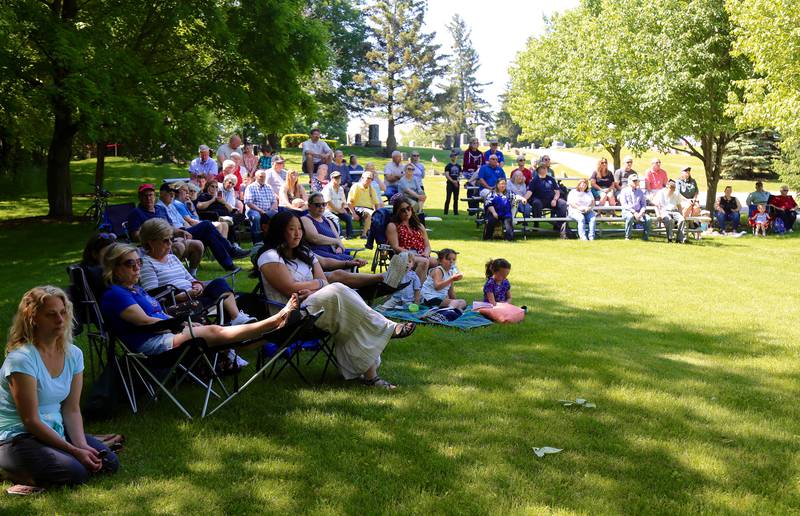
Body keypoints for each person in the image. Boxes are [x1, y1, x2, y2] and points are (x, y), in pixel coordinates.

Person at [256, 211, 415, 389]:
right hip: (290, 315)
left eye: (300, 228)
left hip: (316, 307)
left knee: (350, 316)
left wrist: (312, 287)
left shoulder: (305, 253)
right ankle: (387, 324)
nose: (297, 233)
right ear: (279, 231)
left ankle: (371, 377)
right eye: (291, 229)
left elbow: (323, 281)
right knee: (337, 289)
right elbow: (291, 289)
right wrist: (315, 285)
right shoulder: (269, 257)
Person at [0, 286, 120, 488]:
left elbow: (71, 409)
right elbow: (30, 420)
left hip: (54, 430)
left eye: (63, 312)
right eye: (51, 314)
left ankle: (55, 458)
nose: (60, 320)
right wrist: (73, 451)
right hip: (17, 437)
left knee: (108, 463)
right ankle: (9, 469)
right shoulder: (21, 360)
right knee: (75, 472)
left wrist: (81, 445)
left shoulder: (73, 354)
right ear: (33, 318)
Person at [138, 219, 255, 325]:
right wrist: (183, 296)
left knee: (219, 284)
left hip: (193, 296)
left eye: (171, 239)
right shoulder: (147, 264)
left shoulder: (172, 258)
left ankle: (235, 319)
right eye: (165, 240)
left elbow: (190, 278)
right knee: (222, 298)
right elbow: (153, 296)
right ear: (151, 242)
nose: (170, 243)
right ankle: (230, 327)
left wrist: (197, 285)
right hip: (177, 304)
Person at [157, 183, 248, 269]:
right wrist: (188, 229)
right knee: (207, 224)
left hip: (186, 230)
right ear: (161, 193)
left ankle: (228, 264)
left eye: (173, 193)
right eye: (169, 193)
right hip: (178, 233)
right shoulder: (160, 207)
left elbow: (183, 221)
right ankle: (231, 251)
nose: (172, 195)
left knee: (210, 235)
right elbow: (167, 227)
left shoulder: (171, 206)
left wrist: (191, 217)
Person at [126, 183, 203, 274]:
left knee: (198, 244)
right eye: (145, 196)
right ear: (140, 197)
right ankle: (169, 274)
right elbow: (135, 236)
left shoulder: (160, 209)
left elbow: (170, 227)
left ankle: (192, 275)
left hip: (171, 240)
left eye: (150, 195)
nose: (148, 198)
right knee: (179, 247)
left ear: (155, 196)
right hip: (153, 246)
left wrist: (180, 232)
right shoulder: (136, 213)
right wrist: (157, 236)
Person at [386, 197, 434, 284]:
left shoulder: (419, 226)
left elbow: (427, 246)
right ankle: (415, 290)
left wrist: (426, 253)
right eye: (402, 210)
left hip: (421, 254)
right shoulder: (393, 226)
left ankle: (436, 293)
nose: (406, 212)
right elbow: (395, 247)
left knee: (442, 263)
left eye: (408, 209)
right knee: (424, 262)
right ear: (397, 212)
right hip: (404, 256)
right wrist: (411, 253)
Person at [301, 192, 354, 261]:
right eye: (317, 205)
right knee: (351, 262)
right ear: (309, 206)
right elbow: (314, 238)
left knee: (352, 260)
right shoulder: (305, 219)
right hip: (318, 256)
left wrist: (339, 247)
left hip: (333, 253)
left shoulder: (327, 220)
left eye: (323, 204)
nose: (321, 207)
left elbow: (338, 239)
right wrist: (336, 241)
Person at [526, 162, 570, 238]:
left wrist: (555, 200)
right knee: (536, 203)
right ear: (538, 170)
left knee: (563, 203)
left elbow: (557, 192)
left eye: (545, 168)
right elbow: (529, 192)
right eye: (542, 168)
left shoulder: (551, 179)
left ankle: (559, 225)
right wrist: (524, 198)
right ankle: (536, 223)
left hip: (551, 200)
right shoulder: (534, 181)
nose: (544, 169)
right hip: (539, 200)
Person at [196, 180, 246, 244]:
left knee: (239, 216)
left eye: (216, 187)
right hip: (214, 216)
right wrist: (212, 200)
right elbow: (199, 206)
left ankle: (229, 244)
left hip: (225, 215)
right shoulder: (204, 196)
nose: (214, 188)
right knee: (230, 221)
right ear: (208, 187)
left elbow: (231, 209)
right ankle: (232, 244)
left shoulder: (218, 198)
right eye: (212, 186)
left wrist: (223, 202)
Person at [244, 170, 279, 244]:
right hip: (254, 210)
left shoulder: (269, 187)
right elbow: (249, 202)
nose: (263, 178)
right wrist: (260, 210)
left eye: (264, 177)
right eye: (261, 176)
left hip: (268, 210)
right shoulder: (250, 187)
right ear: (256, 177)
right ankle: (257, 241)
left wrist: (270, 210)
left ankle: (274, 240)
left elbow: (274, 201)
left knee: (278, 216)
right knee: (256, 217)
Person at [348, 170, 382, 238]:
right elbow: (349, 202)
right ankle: (364, 234)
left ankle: (375, 235)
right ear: (362, 178)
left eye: (371, 179)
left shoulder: (371, 188)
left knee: (381, 215)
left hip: (368, 209)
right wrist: (353, 214)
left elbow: (376, 203)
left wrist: (377, 212)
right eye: (368, 178)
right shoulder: (356, 186)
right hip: (358, 208)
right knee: (370, 214)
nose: (370, 180)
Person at [322, 171, 353, 239]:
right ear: (332, 179)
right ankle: (340, 236)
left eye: (339, 177)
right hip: (328, 211)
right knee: (336, 219)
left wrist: (342, 209)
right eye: (336, 178)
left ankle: (349, 236)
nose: (338, 179)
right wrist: (338, 210)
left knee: (348, 218)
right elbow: (328, 202)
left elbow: (343, 201)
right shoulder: (328, 188)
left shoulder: (341, 189)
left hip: (338, 210)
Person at [619, 174, 651, 240]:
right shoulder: (624, 191)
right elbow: (624, 205)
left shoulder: (640, 192)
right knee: (630, 217)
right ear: (629, 181)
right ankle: (628, 237)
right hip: (627, 211)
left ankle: (645, 238)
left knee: (648, 219)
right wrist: (634, 212)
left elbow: (643, 204)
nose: (636, 182)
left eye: (637, 181)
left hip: (639, 212)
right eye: (634, 181)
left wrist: (641, 212)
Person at [443, 149, 462, 215]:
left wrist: (457, 181)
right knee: (448, 198)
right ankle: (446, 212)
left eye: (455, 156)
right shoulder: (448, 166)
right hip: (450, 184)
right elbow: (447, 175)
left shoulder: (459, 166)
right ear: (450, 157)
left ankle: (456, 212)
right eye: (452, 156)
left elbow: (460, 175)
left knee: (456, 199)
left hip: (457, 183)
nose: (454, 157)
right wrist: (453, 181)